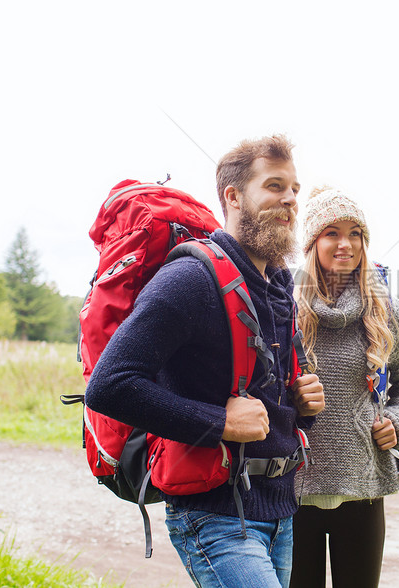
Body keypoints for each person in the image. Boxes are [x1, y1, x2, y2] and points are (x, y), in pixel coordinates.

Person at [85, 134, 325, 588]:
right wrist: (220, 423)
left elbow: (267, 409)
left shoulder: (277, 284)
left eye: (294, 188)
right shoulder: (190, 279)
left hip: (279, 511)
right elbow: (109, 385)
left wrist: (303, 406)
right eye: (274, 186)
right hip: (215, 516)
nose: (291, 199)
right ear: (233, 197)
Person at [290, 186, 399, 587]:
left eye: (355, 233)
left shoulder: (388, 310)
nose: (345, 243)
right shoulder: (284, 308)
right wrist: (292, 399)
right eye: (331, 232)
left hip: (364, 489)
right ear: (312, 242)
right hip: (294, 490)